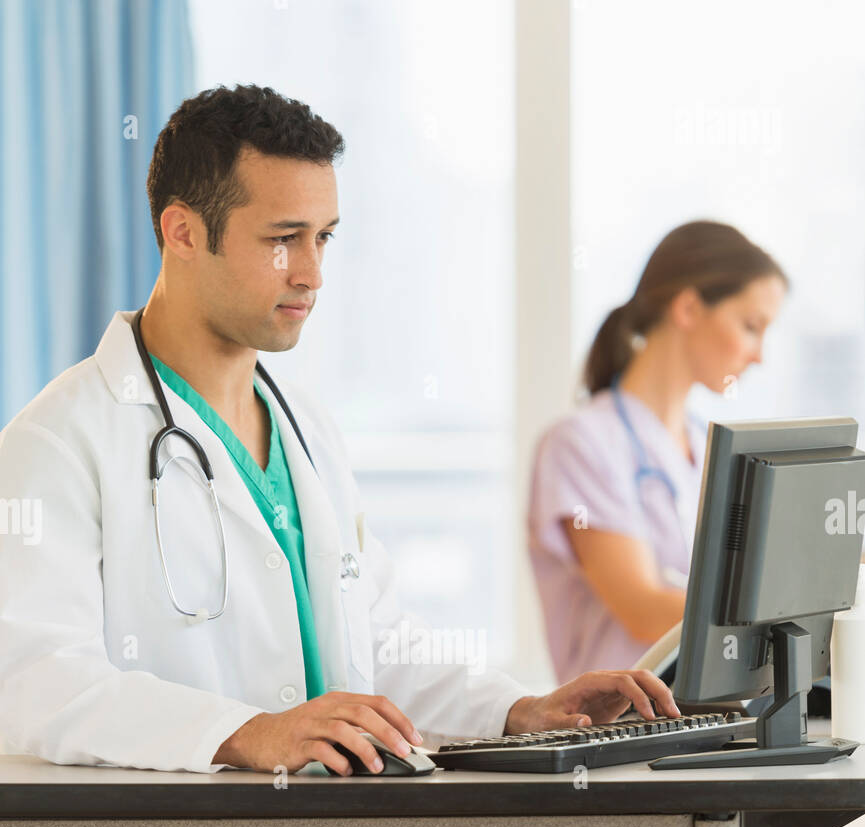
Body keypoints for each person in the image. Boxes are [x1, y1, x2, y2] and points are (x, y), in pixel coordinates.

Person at [0, 84, 679, 777]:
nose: (312, 273)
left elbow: (379, 642)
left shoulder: (307, 427)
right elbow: (33, 682)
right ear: (182, 233)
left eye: (322, 237)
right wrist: (244, 732)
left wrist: (516, 712)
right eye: (282, 240)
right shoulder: (59, 443)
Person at [528, 221, 789, 684]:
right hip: (616, 729)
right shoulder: (579, 443)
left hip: (713, 712)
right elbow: (645, 610)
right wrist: (784, 618)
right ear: (688, 307)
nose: (759, 356)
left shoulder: (714, 445)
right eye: (751, 326)